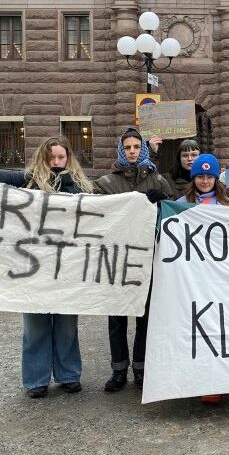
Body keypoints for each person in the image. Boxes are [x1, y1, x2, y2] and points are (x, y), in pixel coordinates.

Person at [0, 136, 95, 398]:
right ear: (43, 159)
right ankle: (36, 380)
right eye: (52, 158)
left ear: (69, 158)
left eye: (61, 158)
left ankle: (69, 375)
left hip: (67, 270)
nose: (57, 163)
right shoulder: (28, 180)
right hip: (32, 269)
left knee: (67, 325)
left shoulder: (81, 186)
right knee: (35, 326)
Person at [96, 128, 174, 393]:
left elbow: (173, 210)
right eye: (127, 147)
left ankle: (141, 368)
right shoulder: (106, 183)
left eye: (135, 147)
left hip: (147, 258)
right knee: (117, 317)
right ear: (121, 150)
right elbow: (96, 217)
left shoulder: (156, 179)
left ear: (142, 149)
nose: (131, 151)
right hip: (117, 259)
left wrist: (162, 200)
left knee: (144, 316)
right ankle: (118, 369)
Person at [175, 153, 229, 404]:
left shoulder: (228, 205)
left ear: (215, 179)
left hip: (219, 278)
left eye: (209, 177)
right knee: (197, 329)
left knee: (220, 329)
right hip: (192, 279)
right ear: (194, 178)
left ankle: (220, 381)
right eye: (200, 176)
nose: (204, 181)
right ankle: (199, 380)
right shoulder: (180, 204)